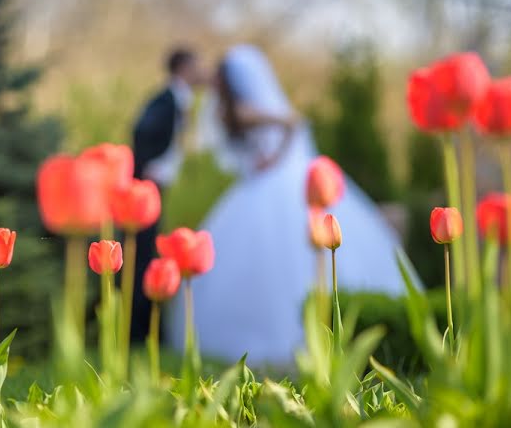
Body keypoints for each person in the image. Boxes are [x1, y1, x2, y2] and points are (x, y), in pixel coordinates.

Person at [165, 44, 402, 367]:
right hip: (250, 184)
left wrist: (273, 159)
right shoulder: (224, 109)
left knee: (292, 253)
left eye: (221, 77)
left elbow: (293, 122)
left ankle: (309, 338)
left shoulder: (247, 109)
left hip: (273, 178)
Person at [130, 47, 206, 342]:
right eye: (196, 65)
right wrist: (149, 165)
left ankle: (150, 328)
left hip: (162, 183)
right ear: (184, 67)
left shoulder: (181, 100)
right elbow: (141, 132)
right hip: (151, 182)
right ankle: (142, 330)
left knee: (150, 249)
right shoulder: (164, 100)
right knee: (145, 252)